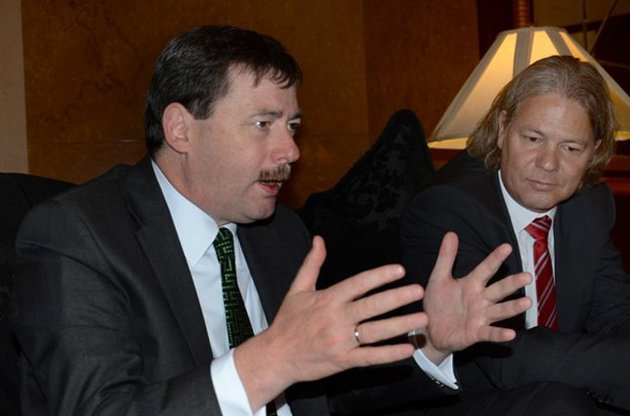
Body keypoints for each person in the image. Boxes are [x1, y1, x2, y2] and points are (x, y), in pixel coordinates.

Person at [12, 25, 530, 416]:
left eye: (292, 126)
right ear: (181, 129)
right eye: (263, 123)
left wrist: (431, 343)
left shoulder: (279, 234)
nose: (290, 151)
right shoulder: (77, 235)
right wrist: (269, 361)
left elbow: (327, 396)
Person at [401, 55, 630, 415]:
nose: (548, 163)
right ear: (503, 128)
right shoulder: (448, 207)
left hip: (557, 387)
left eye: (571, 148)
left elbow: (616, 316)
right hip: (460, 399)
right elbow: (506, 354)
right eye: (533, 138)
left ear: (595, 150)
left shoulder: (589, 204)